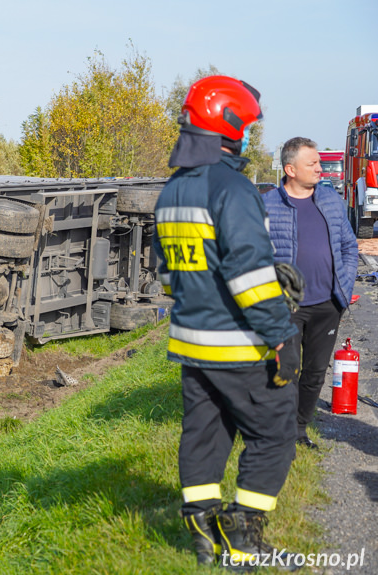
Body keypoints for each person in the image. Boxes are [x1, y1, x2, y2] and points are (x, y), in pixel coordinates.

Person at [154, 75, 300, 569]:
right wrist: (282, 334)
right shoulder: (233, 188)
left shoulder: (173, 190)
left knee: (204, 435)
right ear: (231, 127)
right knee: (275, 433)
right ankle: (243, 538)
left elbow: (169, 273)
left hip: (191, 344)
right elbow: (248, 276)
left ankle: (201, 533)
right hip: (238, 344)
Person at [263, 137, 359, 449]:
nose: (320, 169)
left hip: (327, 303)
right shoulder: (267, 206)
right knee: (285, 372)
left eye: (319, 162)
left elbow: (348, 245)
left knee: (315, 373)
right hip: (286, 306)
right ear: (290, 169)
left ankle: (298, 430)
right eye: (312, 164)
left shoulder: (330, 200)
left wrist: (344, 284)